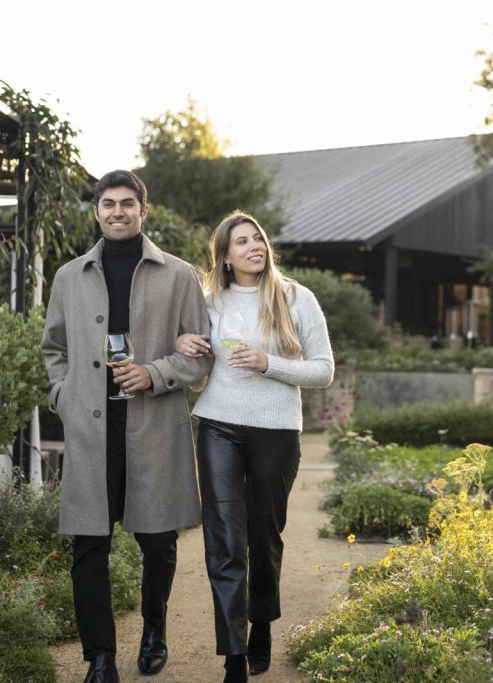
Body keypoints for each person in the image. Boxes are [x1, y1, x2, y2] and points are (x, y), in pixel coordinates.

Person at [42, 170, 211, 683]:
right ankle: (100, 658)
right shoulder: (69, 277)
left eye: (127, 204)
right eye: (108, 204)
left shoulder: (179, 275)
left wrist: (155, 373)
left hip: (153, 424)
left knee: (158, 542)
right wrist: (63, 395)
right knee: (89, 544)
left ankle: (154, 630)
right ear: (97, 211)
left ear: (143, 210)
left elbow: (201, 354)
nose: (117, 212)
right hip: (90, 430)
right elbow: (54, 349)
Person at [176, 211, 334, 682]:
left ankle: (261, 623)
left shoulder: (297, 298)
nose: (254, 246)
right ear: (225, 256)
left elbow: (324, 370)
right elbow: (198, 370)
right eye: (242, 241)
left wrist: (269, 363)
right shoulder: (209, 301)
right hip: (219, 425)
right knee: (224, 540)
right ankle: (234, 655)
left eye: (258, 238)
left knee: (264, 538)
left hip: (276, 431)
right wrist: (185, 346)